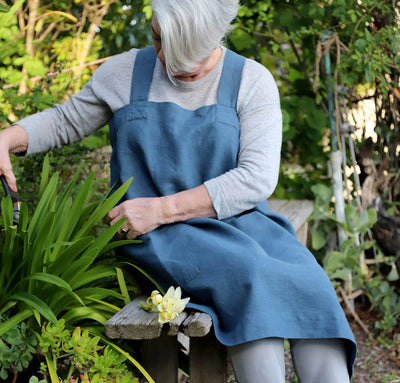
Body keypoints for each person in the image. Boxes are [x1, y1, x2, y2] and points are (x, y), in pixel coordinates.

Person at [0, 0, 356, 381]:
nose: (164, 56)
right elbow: (63, 121)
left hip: (241, 224)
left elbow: (255, 178)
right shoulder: (125, 72)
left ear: (213, 39)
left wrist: (160, 208)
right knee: (248, 274)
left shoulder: (251, 80)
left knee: (309, 278)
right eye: (157, 38)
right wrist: (6, 138)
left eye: (181, 50)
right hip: (157, 237)